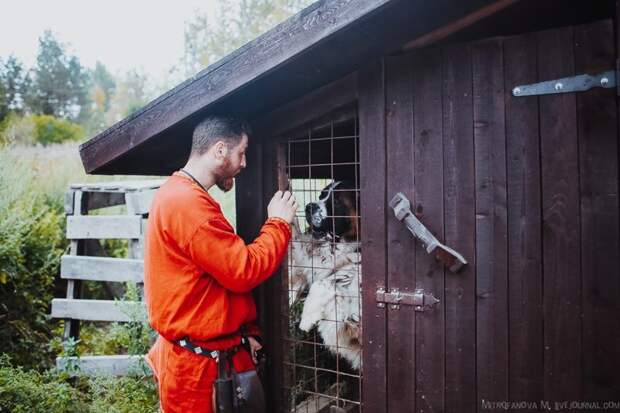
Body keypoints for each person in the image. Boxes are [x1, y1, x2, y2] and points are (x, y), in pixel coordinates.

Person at [143, 116, 298, 412]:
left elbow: (212, 278)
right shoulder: (188, 205)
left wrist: (244, 333)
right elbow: (243, 270)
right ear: (219, 151)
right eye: (241, 152)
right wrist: (278, 223)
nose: (244, 163)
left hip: (209, 354)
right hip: (197, 372)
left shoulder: (179, 193)